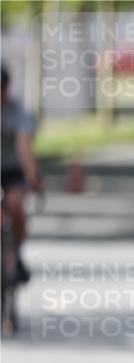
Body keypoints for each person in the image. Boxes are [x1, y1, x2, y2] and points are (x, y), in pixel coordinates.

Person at [1, 64, 41, 286]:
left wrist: (32, 177)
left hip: (12, 171)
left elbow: (24, 147)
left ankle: (16, 254)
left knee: (16, 205)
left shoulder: (17, 112)